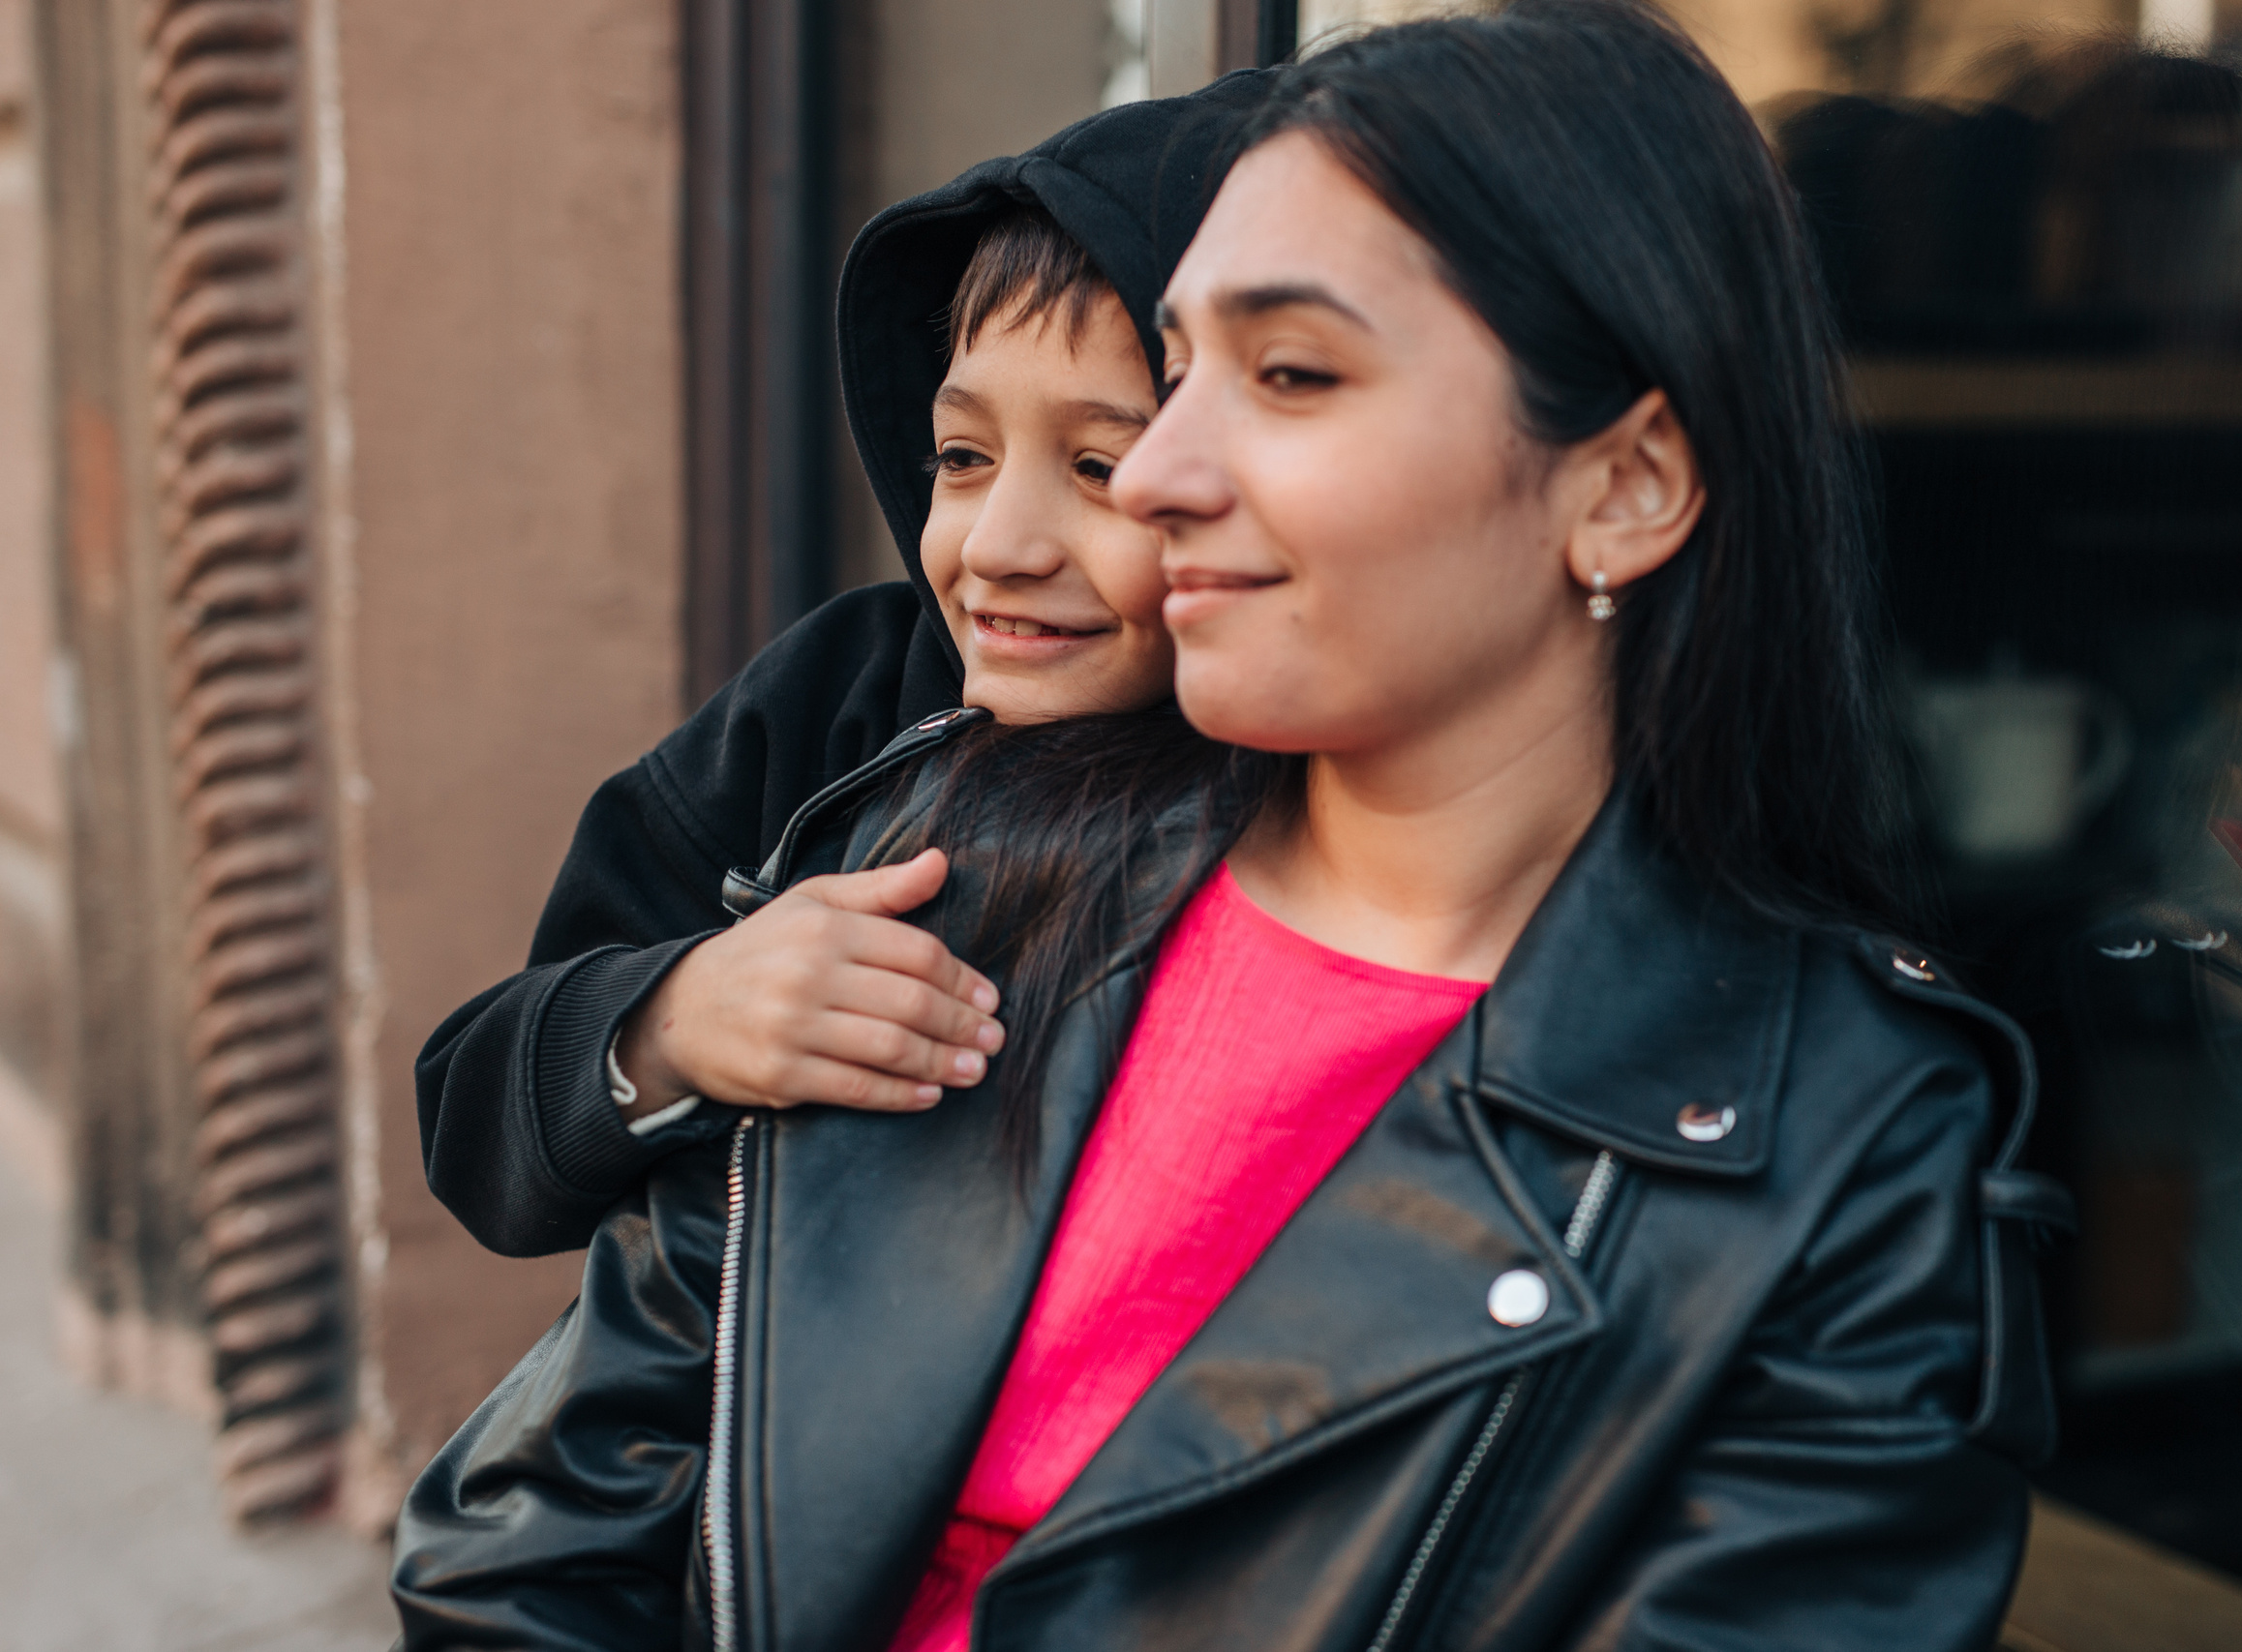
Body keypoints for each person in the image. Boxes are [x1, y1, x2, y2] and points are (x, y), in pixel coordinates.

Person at [393, 6, 2070, 1648]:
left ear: (1624, 486)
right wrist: (669, 1024)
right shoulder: (942, 844)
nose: (1168, 475)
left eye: (1288, 371)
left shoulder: (1847, 1157)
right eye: (1178, 370)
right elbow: (531, 1545)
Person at [413, 73, 1269, 1258]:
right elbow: (476, 1115)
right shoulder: (839, 701)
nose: (997, 547)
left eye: (1099, 470)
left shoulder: (1331, 800)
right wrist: (674, 1024)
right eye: (961, 457)